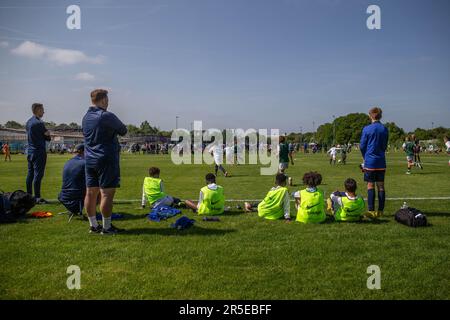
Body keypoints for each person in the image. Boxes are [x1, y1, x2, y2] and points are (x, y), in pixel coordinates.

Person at [82, 89, 128, 235]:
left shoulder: (86, 117)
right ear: (103, 100)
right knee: (107, 194)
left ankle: (93, 226)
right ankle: (107, 228)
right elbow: (123, 130)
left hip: (89, 159)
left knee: (90, 193)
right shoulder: (106, 115)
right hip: (106, 158)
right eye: (107, 99)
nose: (108, 102)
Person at [360, 107, 388, 219]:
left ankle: (371, 211)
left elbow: (362, 145)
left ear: (370, 116)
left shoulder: (367, 129)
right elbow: (385, 145)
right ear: (380, 116)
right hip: (381, 160)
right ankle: (380, 211)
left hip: (370, 161)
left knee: (370, 185)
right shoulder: (384, 129)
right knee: (381, 186)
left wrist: (365, 157)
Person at [25, 103, 51, 204]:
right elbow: (47, 138)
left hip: (30, 151)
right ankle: (37, 197)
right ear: (37, 110)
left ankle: (29, 196)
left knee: (30, 174)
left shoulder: (28, 122)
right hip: (39, 151)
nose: (43, 111)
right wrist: (48, 134)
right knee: (38, 175)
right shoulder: (39, 123)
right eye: (42, 109)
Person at [58, 144, 87, 219]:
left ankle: (74, 209)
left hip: (63, 196)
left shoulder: (67, 162)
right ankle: (93, 214)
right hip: (76, 195)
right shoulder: (84, 163)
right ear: (84, 152)